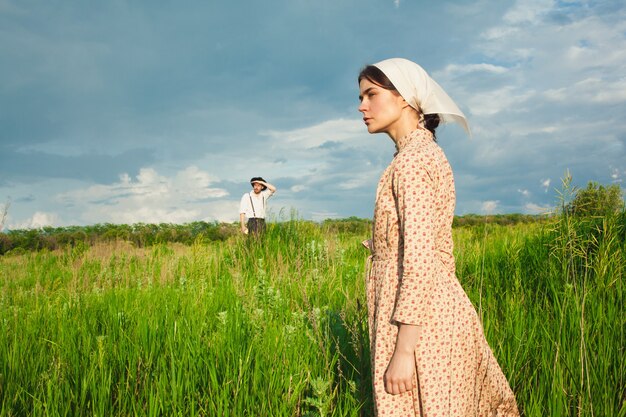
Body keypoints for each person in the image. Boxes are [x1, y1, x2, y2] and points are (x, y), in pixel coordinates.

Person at [358, 58, 519, 416]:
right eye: (361, 96)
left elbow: (419, 259)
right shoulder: (425, 153)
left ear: (404, 98)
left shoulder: (411, 163)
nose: (361, 106)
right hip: (436, 312)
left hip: (420, 329)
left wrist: (403, 352)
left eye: (371, 94)